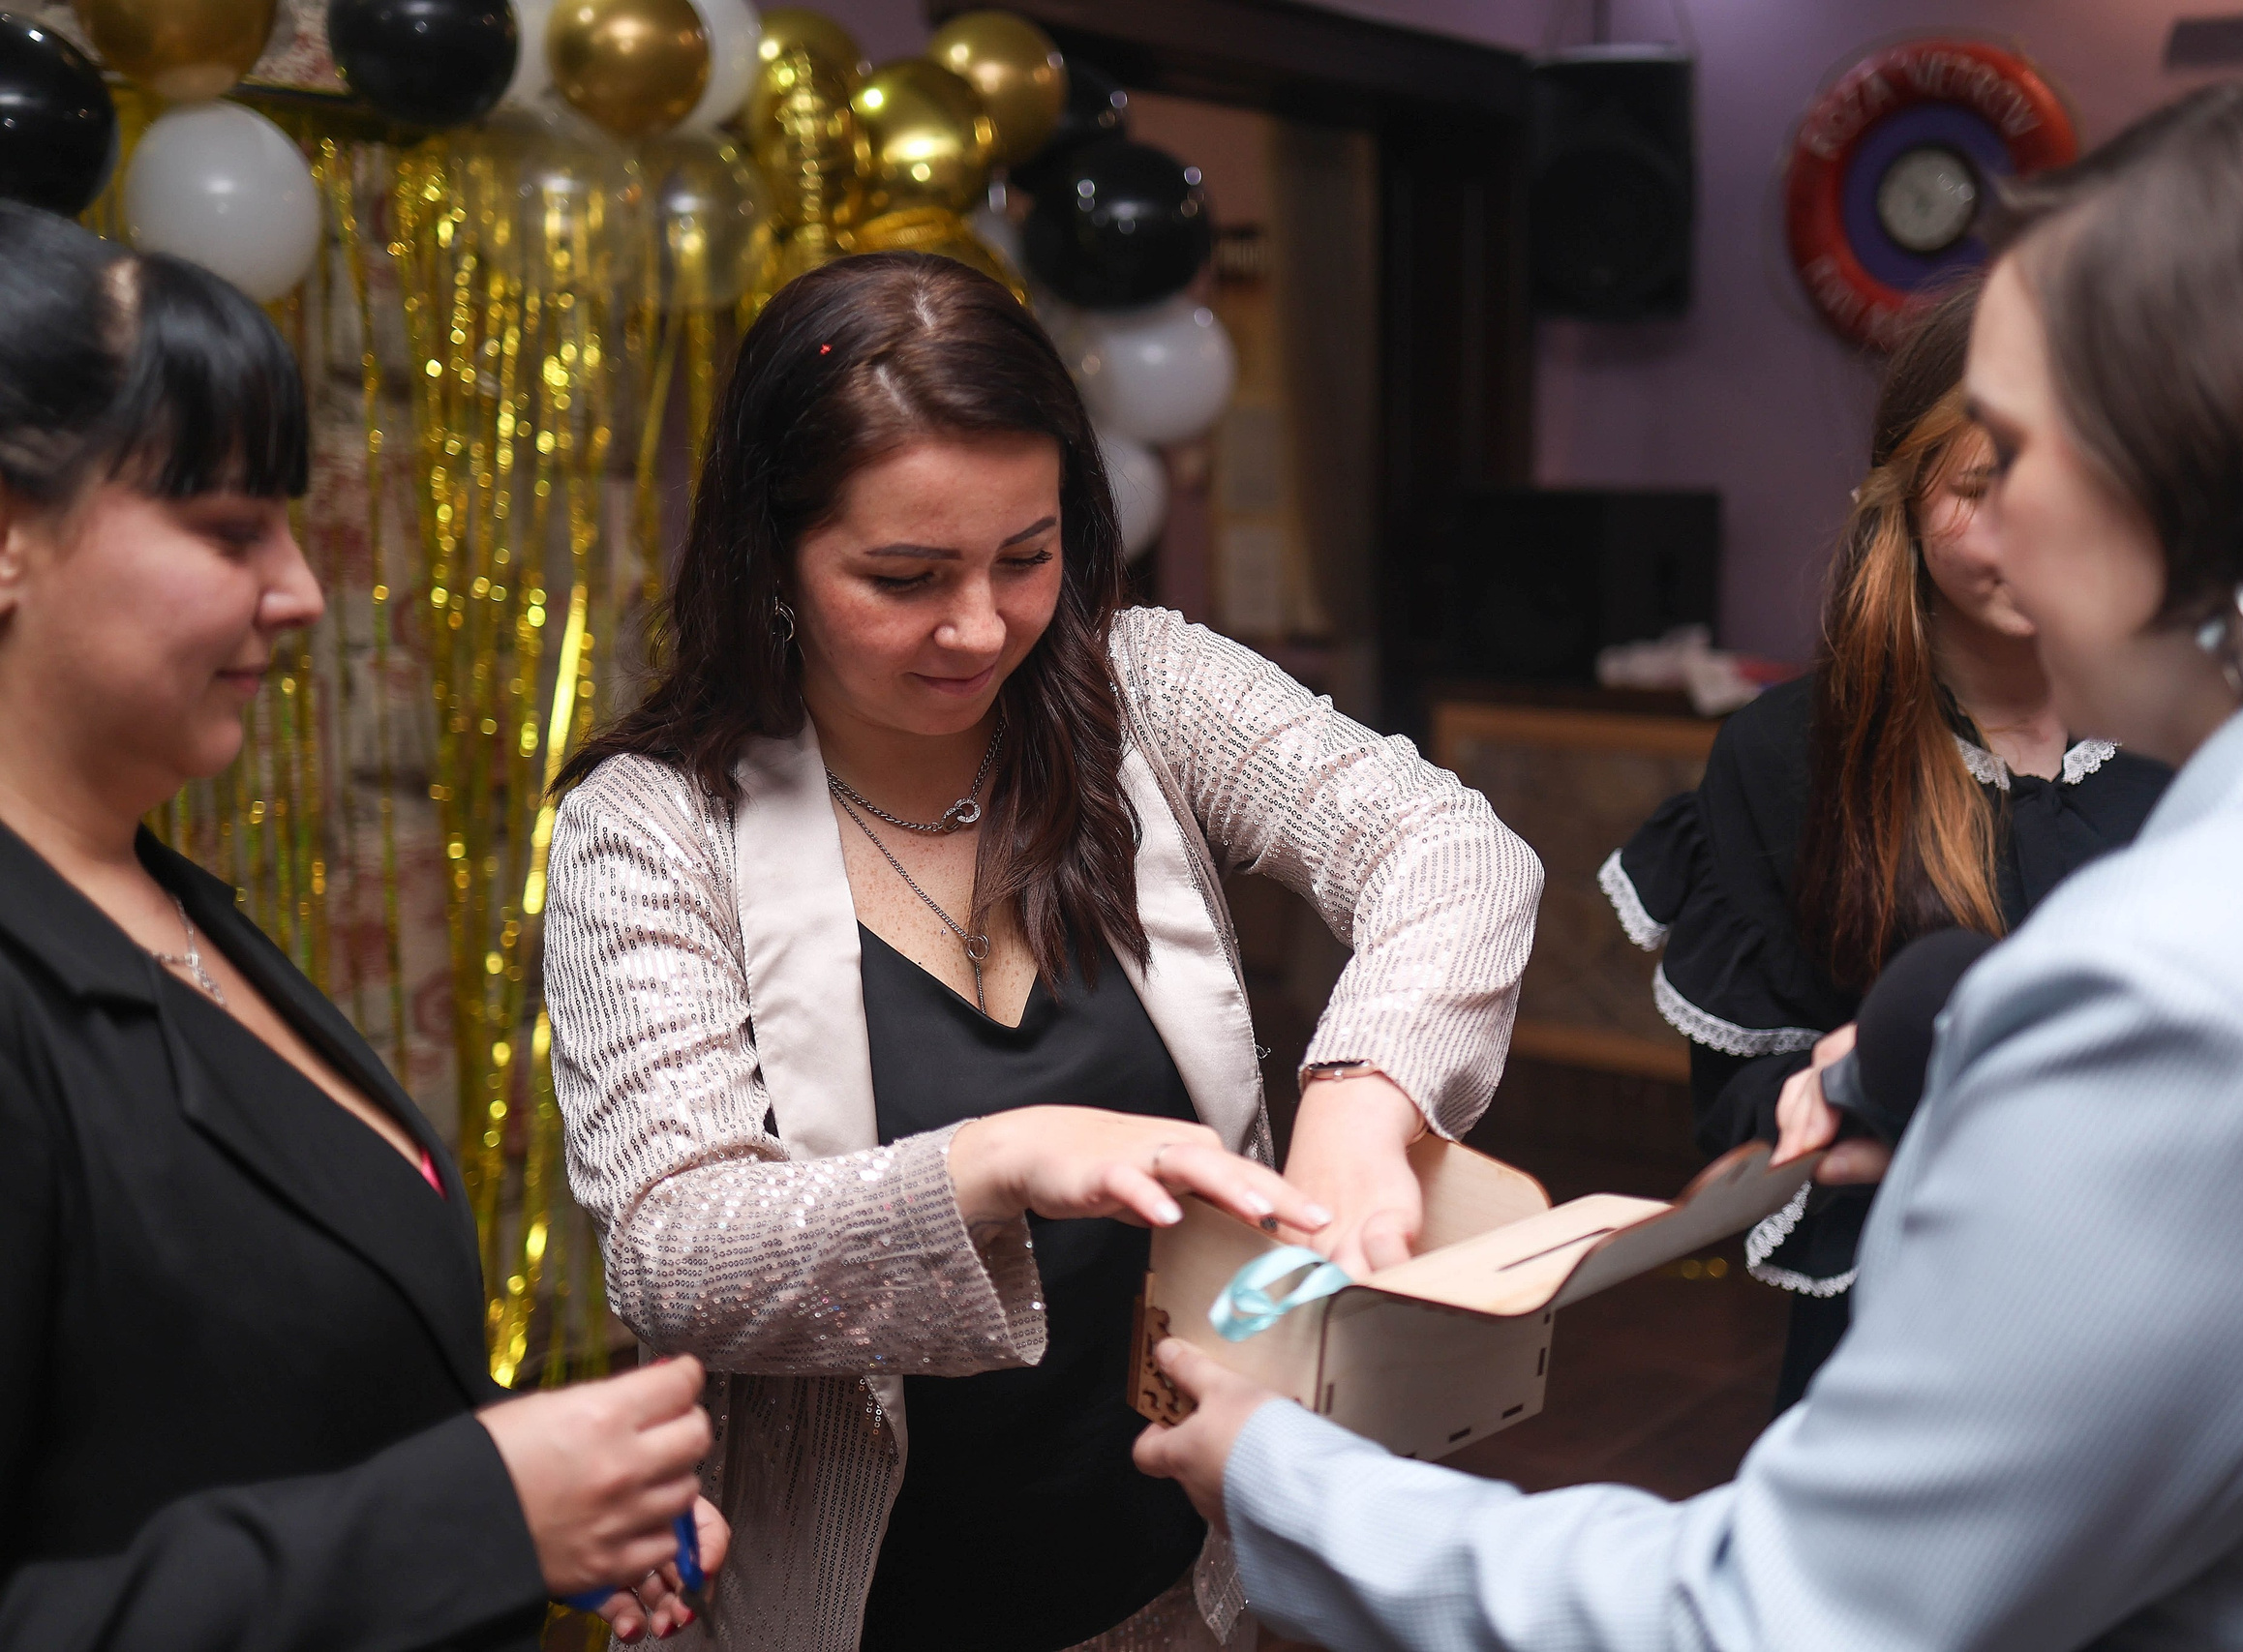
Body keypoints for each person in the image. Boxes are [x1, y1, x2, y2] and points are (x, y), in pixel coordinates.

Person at [1137, 49, 2243, 1649]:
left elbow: (1781, 1619)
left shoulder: (2186, 1000)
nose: (1994, 528)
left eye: (2027, 453)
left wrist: (1287, 1483)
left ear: (2198, 480)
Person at [540, 252, 1540, 1651]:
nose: (981, 625)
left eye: (1026, 554)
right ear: (770, 555)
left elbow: (1455, 851)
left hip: (1186, 1580)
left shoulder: (1145, 688)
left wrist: (1362, 1103)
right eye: (903, 575)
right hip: (866, 1600)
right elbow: (675, 1248)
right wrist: (991, 1161)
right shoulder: (657, 825)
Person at [0, 204, 726, 1649]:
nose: (303, 591)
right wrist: (475, 1510)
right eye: (226, 529)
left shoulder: (163, 897)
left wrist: (544, 1500)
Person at [1600, 277, 2169, 1407]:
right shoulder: (1789, 756)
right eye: (1975, 488)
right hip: (1914, 1336)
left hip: (2171, 1316)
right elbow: (1734, 1104)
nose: (2031, 530)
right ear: (1902, 497)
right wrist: (1822, 1089)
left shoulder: (2199, 727)